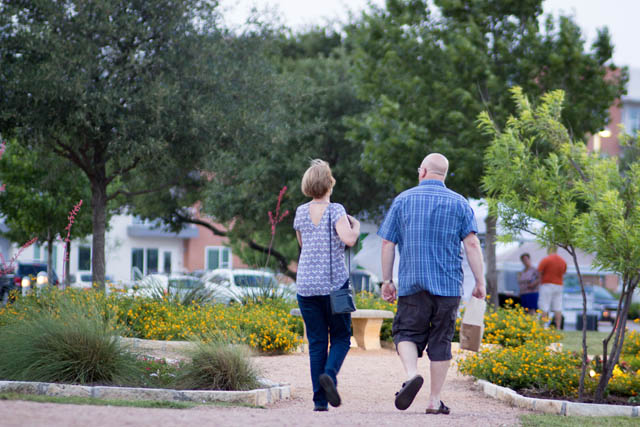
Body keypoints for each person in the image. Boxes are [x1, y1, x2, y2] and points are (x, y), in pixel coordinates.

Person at [378, 153, 486, 415]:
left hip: (413, 283)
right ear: (444, 174)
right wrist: (480, 282)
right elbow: (471, 244)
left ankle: (412, 373)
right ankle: (434, 401)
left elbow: (387, 243)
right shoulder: (460, 203)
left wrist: (387, 280)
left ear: (423, 171)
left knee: (405, 332)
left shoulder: (403, 200)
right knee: (441, 341)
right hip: (448, 286)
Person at [293, 159, 360, 412]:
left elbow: (302, 244)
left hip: (306, 286)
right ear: (329, 183)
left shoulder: (300, 212)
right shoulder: (336, 210)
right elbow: (349, 239)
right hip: (335, 286)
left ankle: (319, 401)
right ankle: (330, 375)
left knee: (317, 343)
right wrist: (356, 227)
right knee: (342, 337)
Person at [537, 246, 567, 329]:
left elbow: (539, 272)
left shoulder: (546, 259)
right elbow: (564, 272)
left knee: (544, 306)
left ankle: (543, 326)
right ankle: (558, 327)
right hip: (559, 285)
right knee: (558, 307)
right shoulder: (562, 261)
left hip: (547, 285)